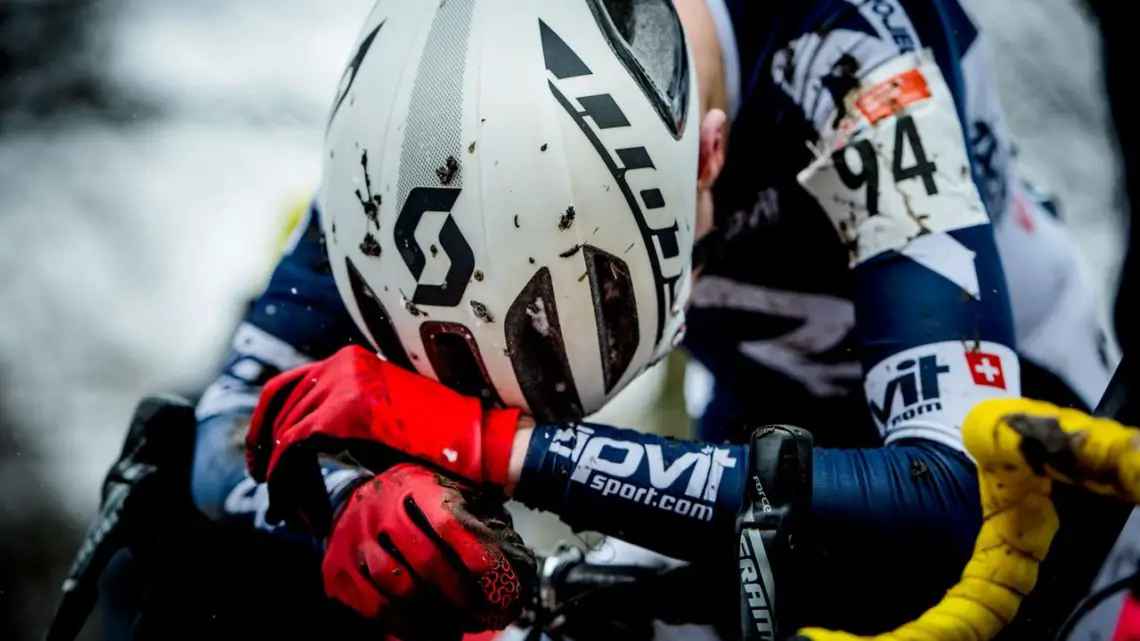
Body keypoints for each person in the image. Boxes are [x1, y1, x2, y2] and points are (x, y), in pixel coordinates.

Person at [193, 0, 1115, 638]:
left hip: (1054, 449)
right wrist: (350, 508)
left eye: (603, 300)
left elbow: (957, 498)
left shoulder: (854, 50)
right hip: (750, 450)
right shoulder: (417, 115)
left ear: (709, 153)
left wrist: (497, 447)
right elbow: (226, 417)